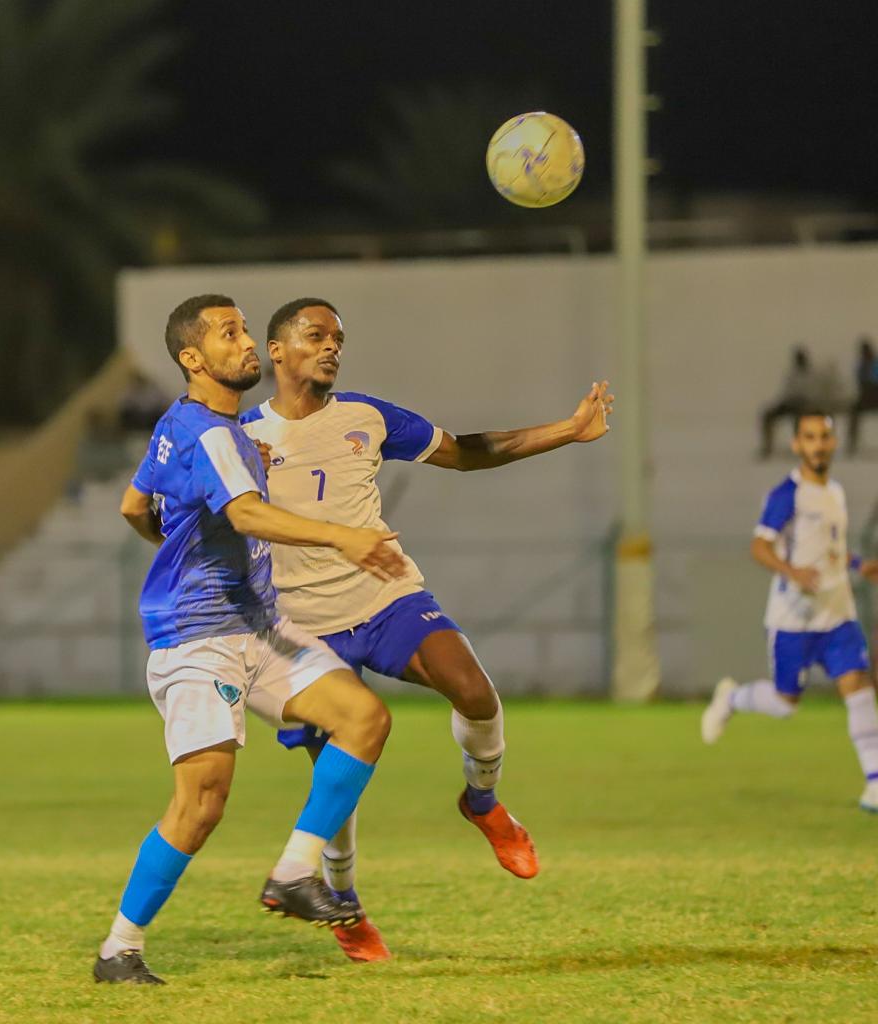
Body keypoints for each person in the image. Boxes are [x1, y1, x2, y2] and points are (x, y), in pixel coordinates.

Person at [240, 297, 613, 962]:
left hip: (385, 596)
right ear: (276, 349)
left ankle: (483, 802)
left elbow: (467, 452)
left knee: (473, 689)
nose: (331, 347)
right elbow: (190, 517)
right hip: (300, 624)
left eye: (338, 338)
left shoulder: (367, 416)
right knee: (337, 779)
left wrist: (568, 429)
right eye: (316, 335)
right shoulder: (239, 437)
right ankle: (344, 902)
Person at [94, 295, 409, 985]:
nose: (244, 342)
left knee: (363, 719)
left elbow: (133, 504)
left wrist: (177, 532)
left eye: (242, 330)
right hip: (199, 639)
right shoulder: (212, 435)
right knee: (200, 806)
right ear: (192, 358)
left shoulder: (189, 426)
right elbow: (245, 514)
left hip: (258, 627)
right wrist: (344, 537)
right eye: (228, 333)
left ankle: (294, 872)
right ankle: (119, 949)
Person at [702, 412, 878, 812]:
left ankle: (874, 784)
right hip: (793, 620)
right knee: (785, 704)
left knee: (859, 688)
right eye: (810, 437)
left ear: (833, 443)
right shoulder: (787, 494)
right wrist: (792, 571)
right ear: (797, 444)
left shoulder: (835, 492)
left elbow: (831, 548)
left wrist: (858, 565)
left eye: (824, 437)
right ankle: (732, 698)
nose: (818, 445)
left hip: (838, 613)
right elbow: (759, 547)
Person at [759, 346, 824, 459]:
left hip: (805, 404)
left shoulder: (812, 375)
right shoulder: (791, 374)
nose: (799, 361)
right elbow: (786, 391)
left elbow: (814, 393)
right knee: (768, 415)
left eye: (801, 358)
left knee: (799, 419)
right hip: (789, 403)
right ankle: (767, 447)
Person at [847, 336, 878, 456]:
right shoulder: (860, 366)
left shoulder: (875, 364)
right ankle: (852, 443)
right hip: (865, 398)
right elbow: (860, 383)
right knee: (853, 411)